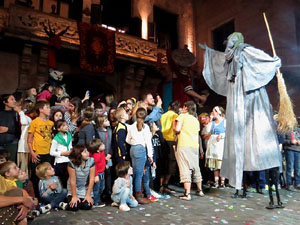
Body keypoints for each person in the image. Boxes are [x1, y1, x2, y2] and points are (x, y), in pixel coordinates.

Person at [200, 32, 282, 190]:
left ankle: (257, 181)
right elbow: (260, 58)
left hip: (242, 99)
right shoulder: (237, 53)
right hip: (244, 98)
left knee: (249, 133)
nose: (227, 46)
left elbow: (258, 59)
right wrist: (274, 62)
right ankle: (253, 183)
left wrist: (272, 62)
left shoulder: (236, 54)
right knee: (248, 133)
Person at [174, 101, 204, 200]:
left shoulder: (182, 116)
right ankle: (200, 190)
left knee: (185, 168)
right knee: (196, 167)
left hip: (184, 145)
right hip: (194, 146)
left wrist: (174, 124)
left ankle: (187, 194)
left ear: (186, 108)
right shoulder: (195, 120)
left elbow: (177, 129)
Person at [126, 108, 153, 204]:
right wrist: (150, 155)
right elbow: (148, 142)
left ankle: (135, 193)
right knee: (139, 174)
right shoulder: (145, 127)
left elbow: (127, 140)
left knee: (136, 173)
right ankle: (138, 195)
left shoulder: (131, 126)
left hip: (132, 149)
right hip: (141, 149)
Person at [27, 100, 54, 197]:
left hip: (49, 153)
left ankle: (48, 196)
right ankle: (37, 197)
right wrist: (32, 153)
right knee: (36, 176)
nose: (49, 109)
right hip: (37, 153)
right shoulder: (34, 122)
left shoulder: (51, 123)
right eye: (47, 107)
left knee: (48, 176)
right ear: (41, 109)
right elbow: (29, 140)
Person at [160, 101, 180, 194]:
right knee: (171, 162)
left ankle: (160, 184)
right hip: (171, 140)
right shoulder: (175, 116)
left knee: (163, 162)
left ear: (169, 107)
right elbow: (175, 128)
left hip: (162, 140)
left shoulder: (163, 115)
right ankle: (165, 184)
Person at [66, 145, 95, 211]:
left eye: (87, 151)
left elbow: (91, 179)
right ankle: (64, 204)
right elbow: (72, 180)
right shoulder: (71, 163)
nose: (88, 153)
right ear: (79, 154)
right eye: (85, 152)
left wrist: (88, 195)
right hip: (74, 189)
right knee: (74, 206)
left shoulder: (91, 161)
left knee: (87, 206)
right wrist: (74, 196)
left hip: (85, 188)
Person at [205, 106, 226, 188]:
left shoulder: (225, 122)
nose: (212, 113)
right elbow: (207, 131)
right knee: (215, 166)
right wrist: (210, 120)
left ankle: (222, 182)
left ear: (219, 113)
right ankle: (216, 182)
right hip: (213, 146)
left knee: (221, 164)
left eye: (214, 111)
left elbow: (229, 133)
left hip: (221, 145)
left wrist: (222, 135)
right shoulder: (212, 123)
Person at [50, 119, 72, 188]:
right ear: (58, 128)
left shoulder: (69, 136)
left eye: (66, 125)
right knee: (62, 182)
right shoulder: (56, 139)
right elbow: (51, 152)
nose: (66, 127)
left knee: (69, 181)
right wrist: (62, 153)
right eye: (63, 125)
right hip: (60, 162)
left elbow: (70, 146)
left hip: (69, 161)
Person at [95, 115, 113, 198]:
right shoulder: (98, 132)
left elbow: (112, 143)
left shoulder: (109, 130)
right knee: (102, 174)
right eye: (106, 120)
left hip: (109, 156)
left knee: (109, 173)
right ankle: (101, 193)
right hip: (101, 156)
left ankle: (108, 191)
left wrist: (110, 154)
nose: (108, 121)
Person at [0, 94, 21, 163]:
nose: (14, 101)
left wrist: (8, 129)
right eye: (12, 99)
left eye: (14, 99)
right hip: (1, 144)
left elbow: (20, 129)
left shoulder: (17, 114)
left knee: (11, 164)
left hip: (12, 143)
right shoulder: (1, 113)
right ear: (5, 102)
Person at [88, 139, 106, 207]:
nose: (103, 145)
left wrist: (105, 165)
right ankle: (96, 201)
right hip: (97, 174)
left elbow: (102, 159)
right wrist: (95, 175)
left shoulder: (102, 152)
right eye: (101, 145)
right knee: (96, 188)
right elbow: (93, 166)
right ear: (97, 149)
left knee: (102, 187)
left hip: (102, 172)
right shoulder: (95, 156)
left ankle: (98, 199)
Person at [283, 125, 300, 191]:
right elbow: (283, 141)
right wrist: (290, 142)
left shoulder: (298, 129)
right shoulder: (286, 129)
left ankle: (297, 183)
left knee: (297, 168)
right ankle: (289, 184)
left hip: (298, 150)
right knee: (290, 167)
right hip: (290, 150)